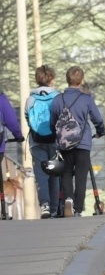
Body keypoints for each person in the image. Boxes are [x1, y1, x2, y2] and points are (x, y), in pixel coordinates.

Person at [49, 66, 105, 218]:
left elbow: (52, 122)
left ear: (67, 80)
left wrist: (57, 135)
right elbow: (97, 119)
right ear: (81, 81)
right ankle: (78, 209)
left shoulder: (57, 100)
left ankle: (68, 199)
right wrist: (100, 131)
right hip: (82, 143)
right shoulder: (86, 99)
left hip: (64, 144)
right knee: (81, 175)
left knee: (66, 172)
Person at [25, 65, 60, 219]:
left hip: (36, 141)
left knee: (40, 174)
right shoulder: (57, 97)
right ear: (51, 78)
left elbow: (28, 120)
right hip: (54, 140)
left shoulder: (30, 99)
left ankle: (44, 205)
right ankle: (53, 208)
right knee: (54, 173)